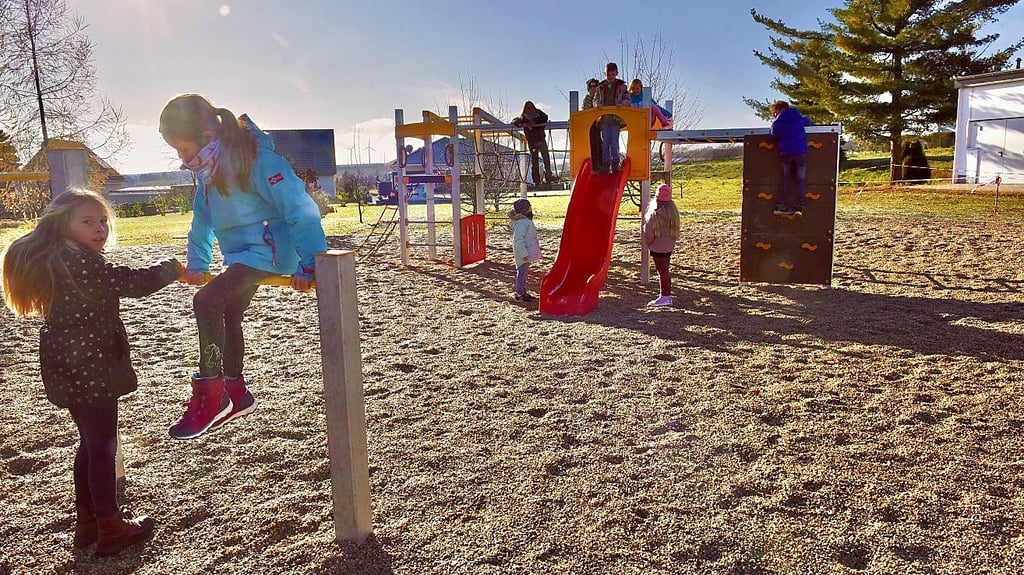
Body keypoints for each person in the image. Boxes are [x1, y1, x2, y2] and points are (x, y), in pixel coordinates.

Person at [1, 189, 183, 557]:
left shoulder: (60, 257)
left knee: (89, 442)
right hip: (91, 362)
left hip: (67, 361)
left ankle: (89, 521)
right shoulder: (79, 262)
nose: (100, 228)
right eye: (88, 221)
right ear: (63, 225)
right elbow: (132, 283)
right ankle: (111, 527)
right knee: (103, 445)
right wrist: (172, 268)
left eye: (103, 221)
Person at [159, 94, 328, 440]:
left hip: (273, 253)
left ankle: (212, 393)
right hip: (241, 256)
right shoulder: (209, 173)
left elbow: (301, 209)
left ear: (207, 138)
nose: (183, 159)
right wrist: (197, 262)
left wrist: (312, 264)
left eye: (183, 149)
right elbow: (202, 222)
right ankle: (236, 391)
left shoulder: (259, 160)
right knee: (228, 311)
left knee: (206, 302)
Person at [768, 100, 811, 216]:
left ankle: (780, 206)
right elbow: (808, 121)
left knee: (786, 179)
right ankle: (799, 207)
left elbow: (772, 137)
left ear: (778, 110)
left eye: (774, 112)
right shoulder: (797, 116)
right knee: (800, 180)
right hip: (801, 152)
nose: (774, 115)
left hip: (787, 153)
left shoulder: (777, 122)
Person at [641, 183, 680, 307]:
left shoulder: (655, 213)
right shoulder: (673, 212)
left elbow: (648, 232)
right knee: (665, 270)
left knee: (662, 271)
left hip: (657, 246)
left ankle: (665, 296)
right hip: (668, 245)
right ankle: (665, 295)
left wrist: (649, 243)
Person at [595, 62, 630, 173]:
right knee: (605, 142)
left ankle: (615, 163)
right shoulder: (600, 87)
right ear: (605, 74)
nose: (610, 77)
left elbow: (628, 99)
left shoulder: (621, 87)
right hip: (604, 119)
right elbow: (595, 100)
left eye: (612, 74)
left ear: (616, 73)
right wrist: (598, 105)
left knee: (614, 142)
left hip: (615, 119)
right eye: (608, 75)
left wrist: (622, 104)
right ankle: (606, 163)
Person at [512, 101, 555, 188]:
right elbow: (515, 121)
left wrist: (535, 122)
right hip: (532, 142)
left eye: (532, 107)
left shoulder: (538, 113)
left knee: (546, 159)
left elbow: (545, 117)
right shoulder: (523, 117)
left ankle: (549, 178)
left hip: (541, 139)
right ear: (525, 109)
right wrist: (524, 124)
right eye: (528, 108)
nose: (530, 109)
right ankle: (537, 181)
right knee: (534, 161)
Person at [509, 198, 541, 302]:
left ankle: (523, 291)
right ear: (524, 210)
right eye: (529, 207)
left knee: (524, 272)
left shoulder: (525, 221)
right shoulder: (521, 223)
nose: (531, 209)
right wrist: (524, 253)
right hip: (522, 253)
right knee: (521, 272)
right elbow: (518, 240)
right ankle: (519, 294)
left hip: (526, 251)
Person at [582, 78, 603, 171]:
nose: (593, 89)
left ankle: (603, 164)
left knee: (602, 145)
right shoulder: (587, 99)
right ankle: (595, 165)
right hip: (591, 126)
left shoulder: (601, 98)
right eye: (591, 87)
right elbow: (586, 111)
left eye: (595, 87)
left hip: (601, 124)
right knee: (593, 145)